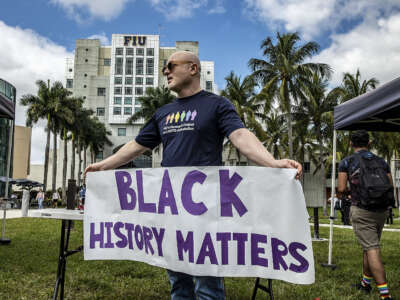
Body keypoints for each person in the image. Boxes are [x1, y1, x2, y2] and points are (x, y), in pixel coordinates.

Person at [85, 51, 302, 300]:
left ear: (192, 69)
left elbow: (240, 136)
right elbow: (137, 145)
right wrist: (104, 166)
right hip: (170, 208)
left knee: (207, 284)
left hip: (206, 210)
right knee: (178, 282)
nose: (165, 72)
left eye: (170, 66)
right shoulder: (163, 113)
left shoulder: (217, 105)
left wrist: (273, 163)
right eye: (164, 68)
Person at [338, 130, 393, 300]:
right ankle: (365, 284)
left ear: (350, 143)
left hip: (362, 210)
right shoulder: (381, 161)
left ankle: (385, 295)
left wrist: (350, 192)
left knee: (371, 248)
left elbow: (341, 189)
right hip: (381, 211)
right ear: (369, 143)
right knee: (369, 245)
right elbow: (390, 184)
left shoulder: (347, 161)